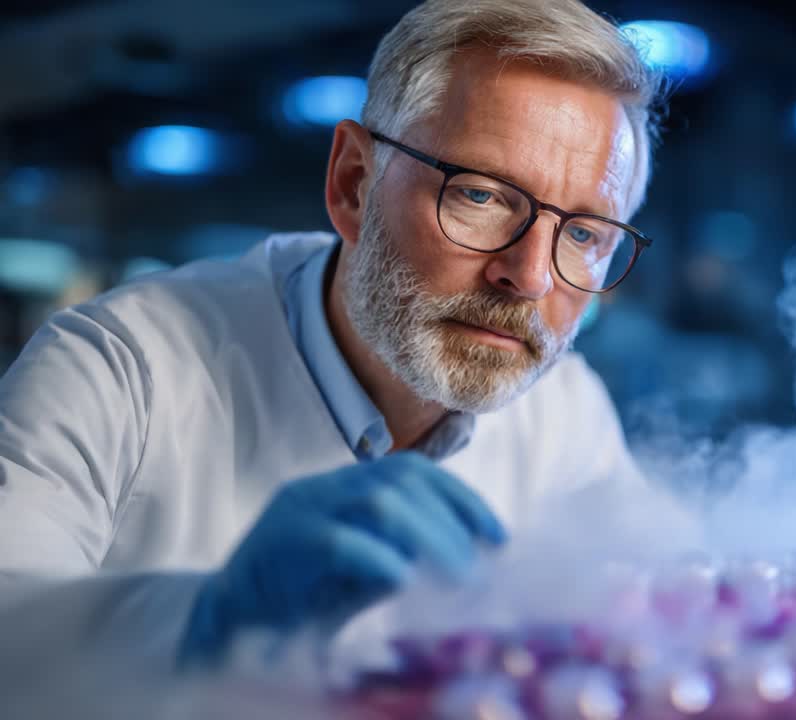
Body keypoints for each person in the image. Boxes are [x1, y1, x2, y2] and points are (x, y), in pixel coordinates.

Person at [0, 0, 663, 680]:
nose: (526, 277)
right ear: (354, 183)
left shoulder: (567, 417)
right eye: (481, 195)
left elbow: (675, 612)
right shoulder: (116, 369)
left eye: (583, 234)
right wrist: (208, 620)